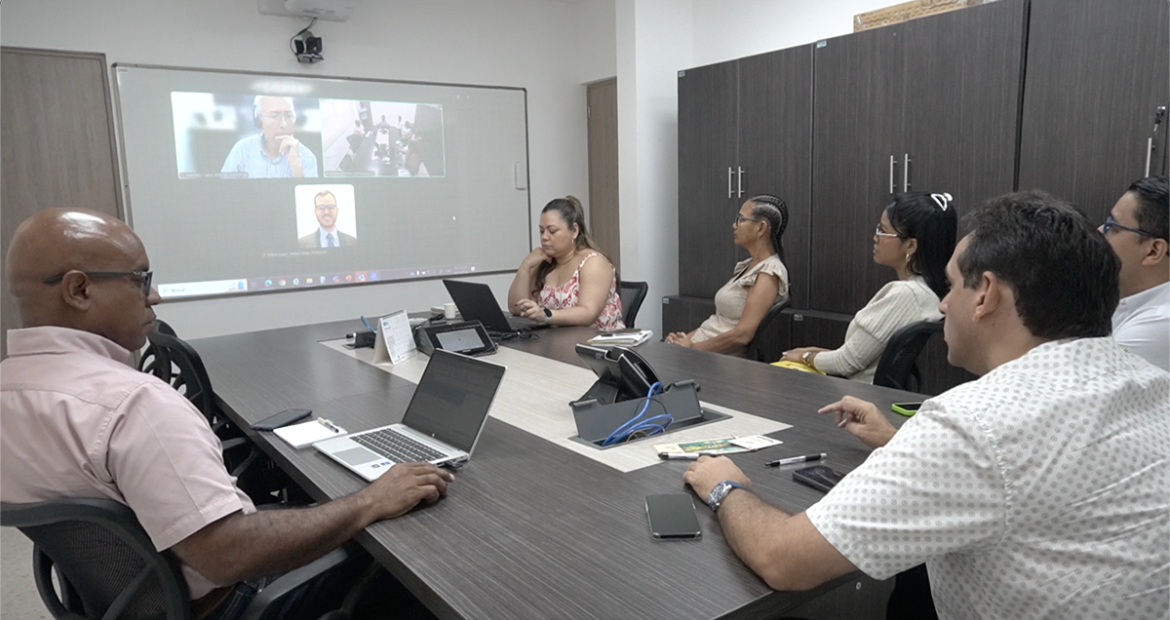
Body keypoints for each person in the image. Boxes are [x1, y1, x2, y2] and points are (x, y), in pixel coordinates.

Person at [683, 191, 1169, 620]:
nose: (941, 305)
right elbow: (1039, 475)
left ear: (987, 295)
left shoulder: (975, 421)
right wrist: (901, 441)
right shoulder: (1154, 385)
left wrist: (726, 486)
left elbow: (784, 561)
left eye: (955, 285)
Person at [1, 209, 452, 618]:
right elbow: (227, 556)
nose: (154, 295)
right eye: (141, 279)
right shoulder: (134, 405)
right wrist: (369, 501)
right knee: (404, 553)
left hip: (125, 597)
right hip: (227, 603)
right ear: (79, 290)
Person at [779, 191, 957, 382]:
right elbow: (861, 356)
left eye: (882, 230)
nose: (875, 237)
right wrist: (816, 354)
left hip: (855, 397)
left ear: (911, 246)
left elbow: (845, 364)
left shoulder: (905, 294)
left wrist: (806, 357)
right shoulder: (925, 292)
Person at [664, 195, 790, 356]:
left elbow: (742, 335)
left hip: (716, 358)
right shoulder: (748, 266)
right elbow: (719, 323)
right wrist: (680, 341)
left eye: (741, 219)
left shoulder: (769, 272)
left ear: (761, 228)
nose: (734, 225)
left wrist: (691, 349)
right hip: (699, 349)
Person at [507, 196, 624, 330]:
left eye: (552, 231)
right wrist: (525, 266)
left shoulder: (593, 263)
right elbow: (516, 307)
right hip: (557, 343)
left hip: (597, 344)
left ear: (574, 231)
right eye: (541, 231)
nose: (544, 237)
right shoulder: (545, 262)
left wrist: (546, 315)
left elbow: (588, 313)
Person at [1101, 175, 1168, 371]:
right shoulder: (1126, 296)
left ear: (1153, 251)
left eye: (1112, 227)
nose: (1099, 232)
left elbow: (1081, 387)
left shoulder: (1159, 325)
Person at [221, 96, 319, 179]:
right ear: (259, 120)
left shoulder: (307, 157)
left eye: (289, 116)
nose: (283, 124)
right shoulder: (241, 149)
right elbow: (224, 191)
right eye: (274, 116)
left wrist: (295, 165)